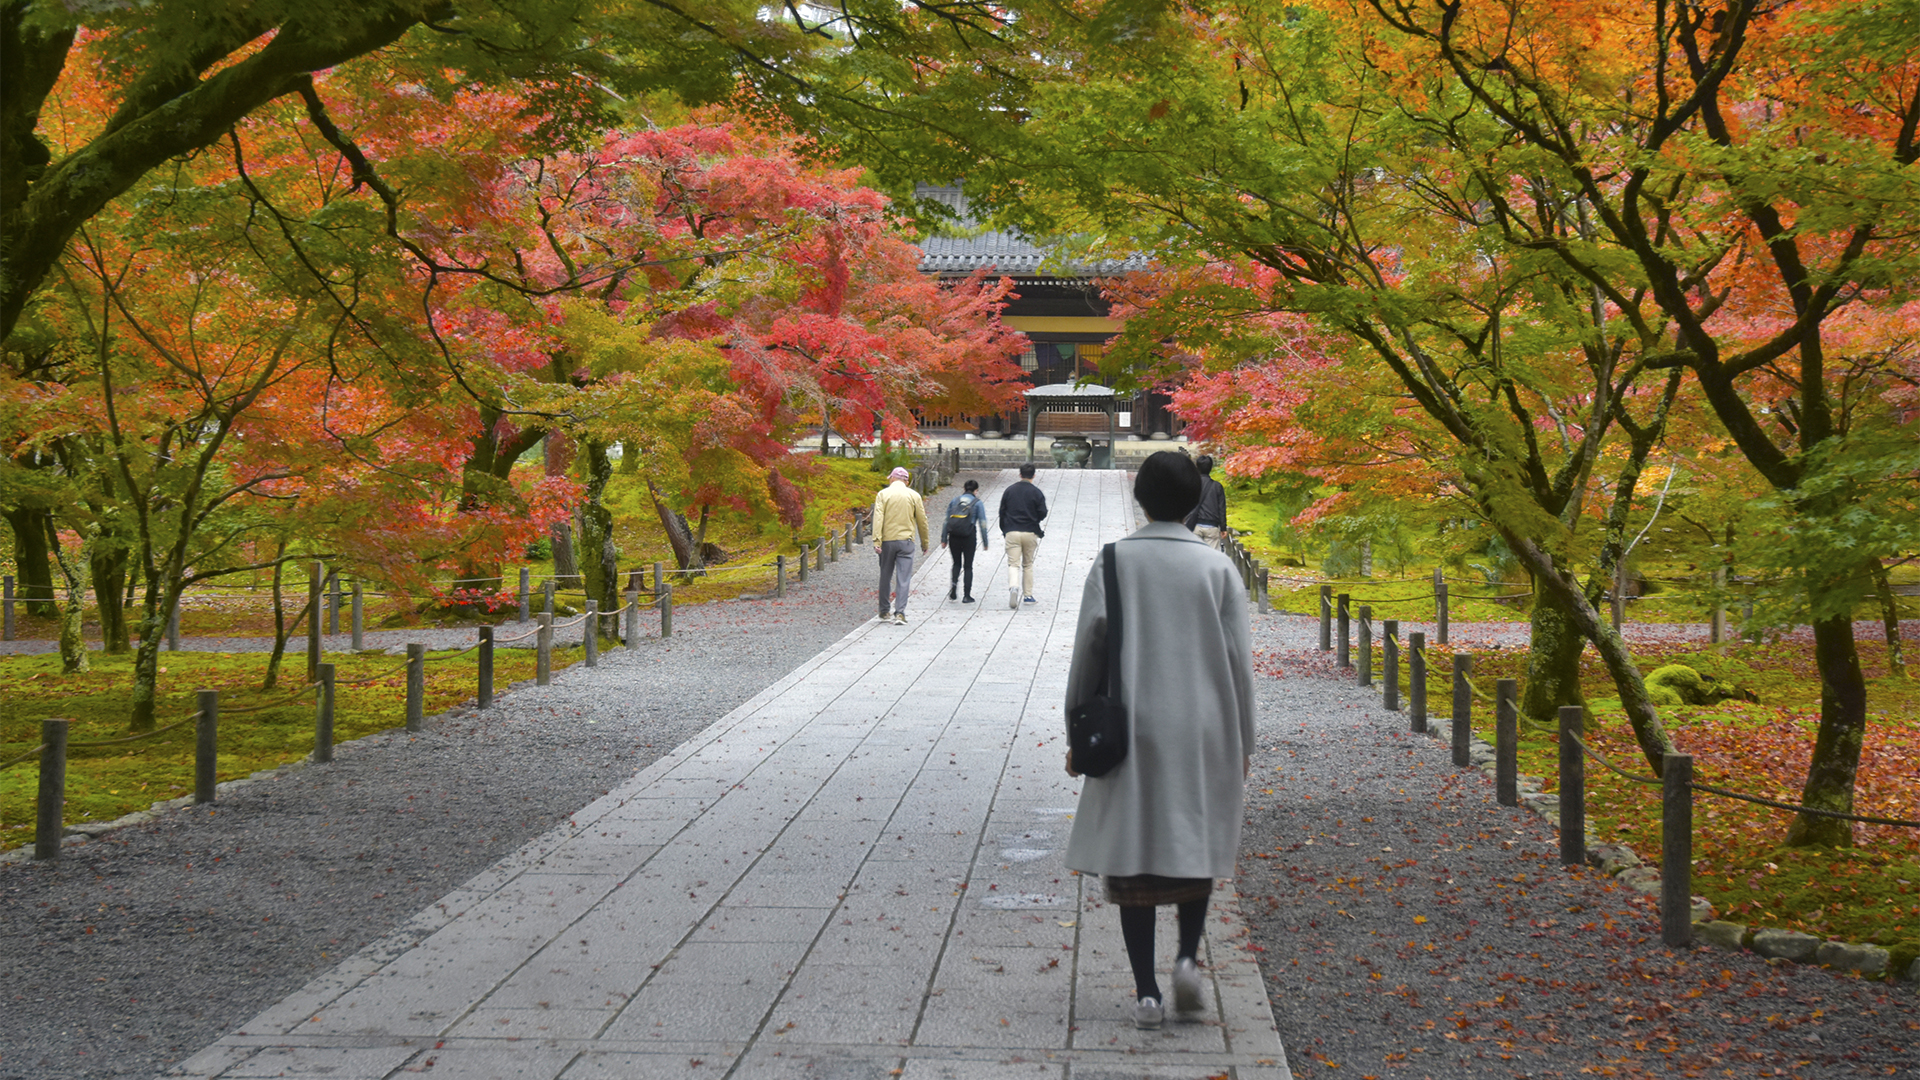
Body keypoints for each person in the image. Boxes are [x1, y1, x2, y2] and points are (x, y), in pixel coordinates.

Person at [1062, 451, 1255, 1030]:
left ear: (1141, 498)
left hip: (1133, 721)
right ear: (1197, 499)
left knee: (1133, 855)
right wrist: (1245, 738)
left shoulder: (1116, 560)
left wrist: (1076, 722)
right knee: (1193, 840)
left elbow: (1090, 646)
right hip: (1202, 725)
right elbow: (1240, 663)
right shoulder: (1217, 568)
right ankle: (1188, 959)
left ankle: (1147, 993)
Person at [870, 466, 930, 624]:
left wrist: (877, 540)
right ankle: (900, 613)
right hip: (907, 541)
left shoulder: (883, 495)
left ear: (892, 478)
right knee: (903, 578)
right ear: (906, 481)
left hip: (887, 541)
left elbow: (878, 519)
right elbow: (922, 521)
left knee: (885, 575)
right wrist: (925, 542)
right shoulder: (914, 495)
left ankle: (884, 611)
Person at [997, 463, 1048, 609]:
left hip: (1012, 531)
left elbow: (1002, 511)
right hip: (1030, 531)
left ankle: (1014, 587)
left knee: (1013, 564)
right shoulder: (1036, 492)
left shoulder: (1010, 491)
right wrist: (1035, 519)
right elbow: (1043, 512)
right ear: (1034, 475)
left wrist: (1005, 528)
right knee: (1028, 564)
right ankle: (1028, 595)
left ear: (1020, 474)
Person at [940, 479, 989, 603]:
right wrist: (985, 541)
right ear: (976, 491)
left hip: (954, 536)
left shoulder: (955, 501)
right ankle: (967, 595)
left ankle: (953, 589)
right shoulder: (977, 503)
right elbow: (982, 523)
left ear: (964, 488)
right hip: (969, 536)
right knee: (968, 566)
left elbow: (946, 520)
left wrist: (944, 538)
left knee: (956, 563)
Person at [1183, 453, 1227, 549]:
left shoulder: (1191, 485)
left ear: (1197, 467)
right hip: (1212, 526)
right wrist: (1223, 528)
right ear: (1211, 468)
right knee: (1211, 559)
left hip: (1194, 525)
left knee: (1195, 555)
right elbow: (1221, 509)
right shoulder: (1217, 486)